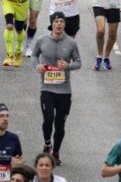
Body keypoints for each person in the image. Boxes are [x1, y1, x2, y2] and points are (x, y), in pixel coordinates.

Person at [31, 12, 81, 165]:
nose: (59, 24)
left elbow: (78, 62)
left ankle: (56, 152)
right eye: (56, 21)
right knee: (48, 119)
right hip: (46, 88)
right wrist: (37, 66)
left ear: (65, 24)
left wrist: (68, 66)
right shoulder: (42, 40)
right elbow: (34, 55)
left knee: (60, 124)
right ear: (51, 24)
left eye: (61, 22)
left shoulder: (71, 43)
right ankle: (47, 144)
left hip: (64, 90)